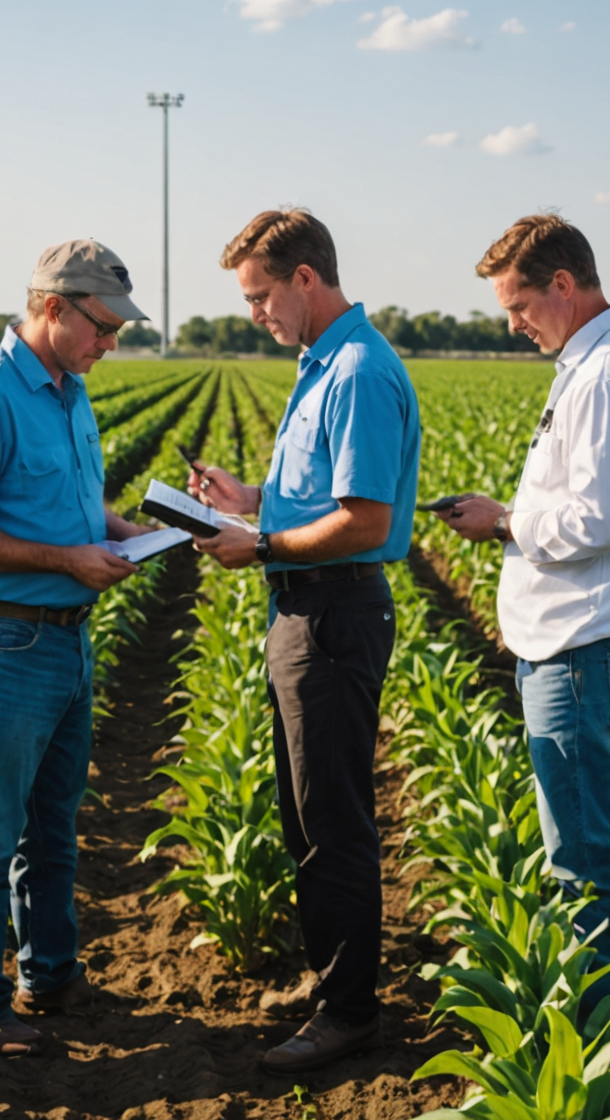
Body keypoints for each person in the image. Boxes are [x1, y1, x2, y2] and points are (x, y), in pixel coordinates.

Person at [428, 214, 610, 998]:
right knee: (606, 844)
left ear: (564, 286)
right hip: (587, 650)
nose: (513, 324)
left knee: (582, 861)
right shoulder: (605, 361)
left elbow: (600, 521)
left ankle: (602, 1027)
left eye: (519, 305)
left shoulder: (606, 377)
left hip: (580, 653)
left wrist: (503, 523)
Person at [190, 208, 421, 1074]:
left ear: (306, 279)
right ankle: (331, 982)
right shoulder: (322, 364)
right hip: (307, 608)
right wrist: (250, 500)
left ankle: (350, 1012)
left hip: (332, 611)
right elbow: (323, 496)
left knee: (333, 820)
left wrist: (260, 546)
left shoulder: (356, 371)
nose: (256, 313)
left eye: (260, 297)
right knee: (305, 816)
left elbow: (364, 521)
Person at [0, 239, 158, 1057]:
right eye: (103, 327)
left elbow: (76, 509)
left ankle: (50, 974)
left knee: (53, 827)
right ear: (53, 308)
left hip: (66, 641)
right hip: (4, 641)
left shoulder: (69, 392)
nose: (111, 344)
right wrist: (67, 561)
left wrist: (132, 534)